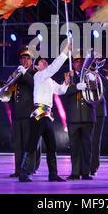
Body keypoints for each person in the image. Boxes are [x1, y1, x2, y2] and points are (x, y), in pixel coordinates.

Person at [18, 42, 71, 182]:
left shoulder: (49, 80)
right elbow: (54, 67)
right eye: (42, 62)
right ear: (37, 67)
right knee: (32, 143)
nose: (45, 63)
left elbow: (60, 91)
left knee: (52, 144)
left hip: (46, 114)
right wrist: (65, 52)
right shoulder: (38, 76)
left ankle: (53, 174)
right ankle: (23, 173)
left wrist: (65, 82)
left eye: (45, 62)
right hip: (38, 112)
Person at [61, 49, 97, 180]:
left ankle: (86, 172)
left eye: (81, 61)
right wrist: (76, 86)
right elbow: (64, 92)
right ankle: (75, 172)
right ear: (73, 63)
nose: (79, 63)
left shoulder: (90, 74)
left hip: (87, 116)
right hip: (74, 117)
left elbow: (97, 89)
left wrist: (92, 80)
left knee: (87, 147)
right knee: (75, 147)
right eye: (76, 61)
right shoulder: (68, 75)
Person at [7, 45, 41, 177]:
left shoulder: (34, 74)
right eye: (23, 58)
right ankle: (18, 169)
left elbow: (34, 85)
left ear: (32, 61)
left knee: (29, 143)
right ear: (20, 60)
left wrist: (24, 73)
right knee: (18, 144)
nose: (25, 61)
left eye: (28, 58)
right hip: (17, 114)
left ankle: (28, 169)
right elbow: (10, 92)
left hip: (29, 114)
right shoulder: (15, 74)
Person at [90, 55, 108, 176]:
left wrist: (96, 71)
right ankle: (85, 165)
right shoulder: (85, 70)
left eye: (98, 59)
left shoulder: (104, 72)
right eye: (94, 59)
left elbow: (106, 84)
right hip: (87, 108)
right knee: (87, 139)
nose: (95, 62)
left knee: (96, 139)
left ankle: (94, 166)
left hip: (99, 110)